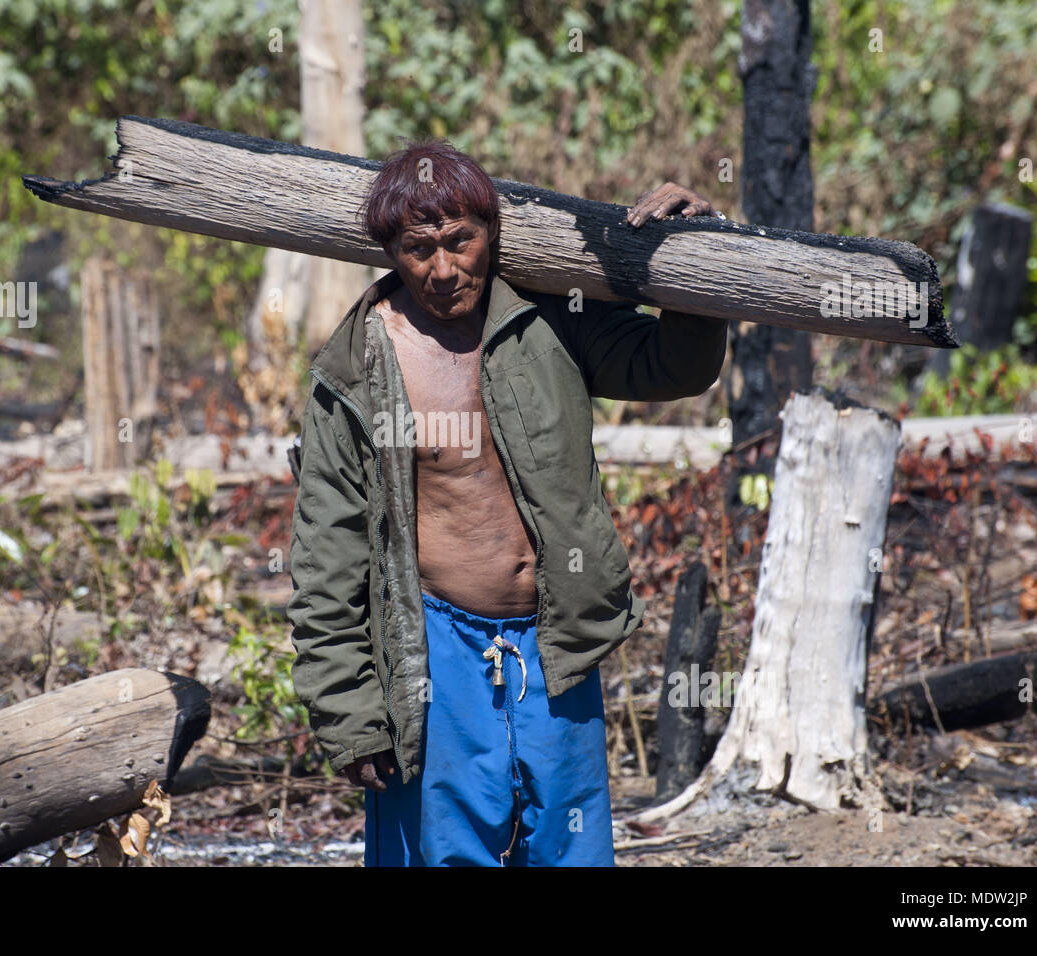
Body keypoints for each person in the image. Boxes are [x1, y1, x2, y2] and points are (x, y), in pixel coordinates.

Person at [286, 139, 728, 866]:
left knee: (569, 848)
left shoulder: (548, 320)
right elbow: (326, 555)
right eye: (419, 248)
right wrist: (348, 712)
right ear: (390, 252)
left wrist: (695, 254)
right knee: (445, 850)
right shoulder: (357, 370)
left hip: (555, 643)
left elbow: (674, 365)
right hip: (434, 652)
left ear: (490, 233)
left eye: (461, 241)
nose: (444, 268)